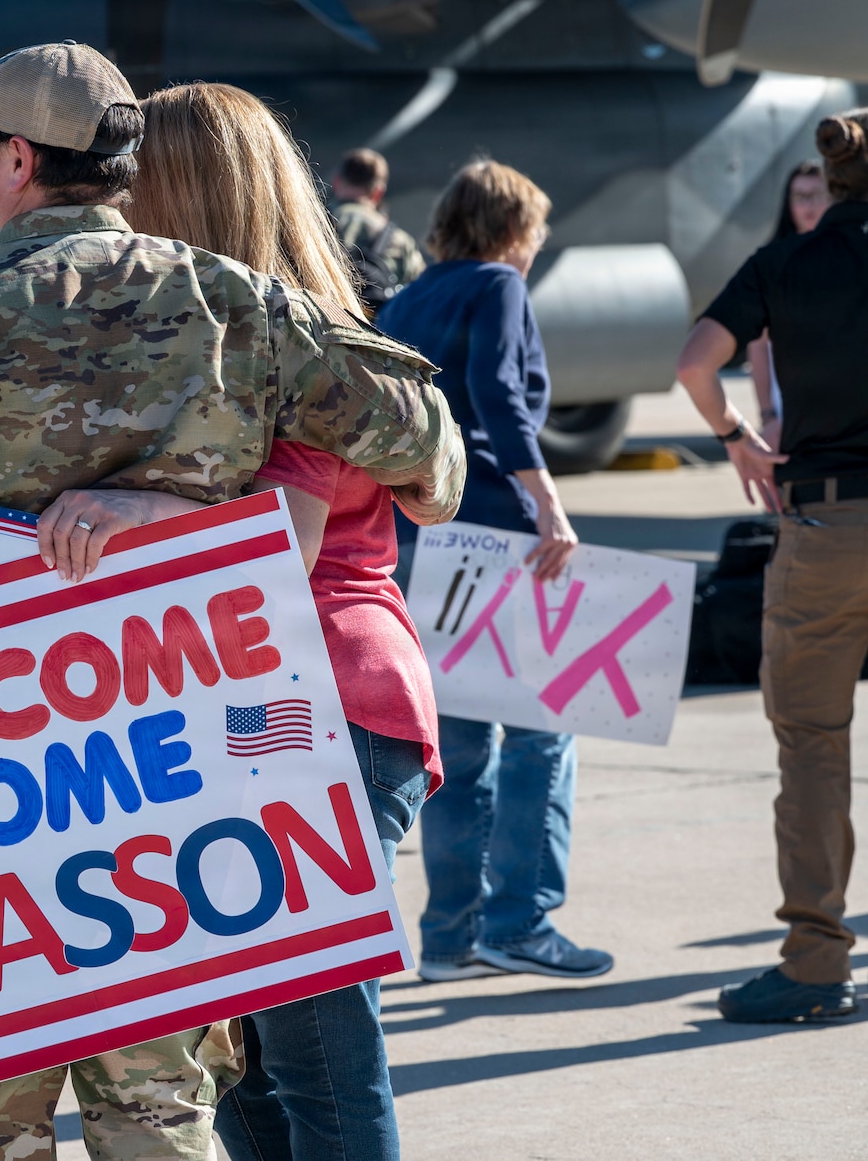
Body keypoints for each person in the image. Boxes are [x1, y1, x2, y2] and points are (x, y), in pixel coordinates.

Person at [0, 42, 463, 1161]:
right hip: (173, 774)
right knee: (161, 1115)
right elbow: (430, 445)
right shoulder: (234, 303)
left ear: (17, 158)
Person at [129, 81, 438, 1161]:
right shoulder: (216, 338)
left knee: (312, 1059)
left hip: (322, 702)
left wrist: (124, 509)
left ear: (188, 192)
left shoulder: (308, 345)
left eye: (138, 177)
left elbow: (277, 549)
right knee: (249, 1071)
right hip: (252, 706)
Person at [376, 158, 603, 983]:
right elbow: (499, 395)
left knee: (463, 744)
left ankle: (449, 936)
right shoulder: (497, 285)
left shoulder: (409, 296)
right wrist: (549, 504)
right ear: (517, 229)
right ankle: (521, 921)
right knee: (546, 730)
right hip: (500, 533)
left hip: (427, 531)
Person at [677, 108, 868, 1024]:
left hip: (825, 523)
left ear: (829, 183)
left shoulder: (783, 264)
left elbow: (696, 362)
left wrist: (737, 440)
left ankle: (816, 960)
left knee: (813, 745)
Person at [746, 160, 830, 449]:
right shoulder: (773, 265)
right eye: (800, 196)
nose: (809, 205)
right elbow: (758, 346)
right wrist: (768, 416)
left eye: (818, 194)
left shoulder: (853, 257)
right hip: (791, 414)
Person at [329, 146, 425, 317]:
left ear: (336, 182)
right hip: (377, 338)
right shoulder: (401, 241)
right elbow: (421, 294)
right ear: (378, 192)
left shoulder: (312, 225)